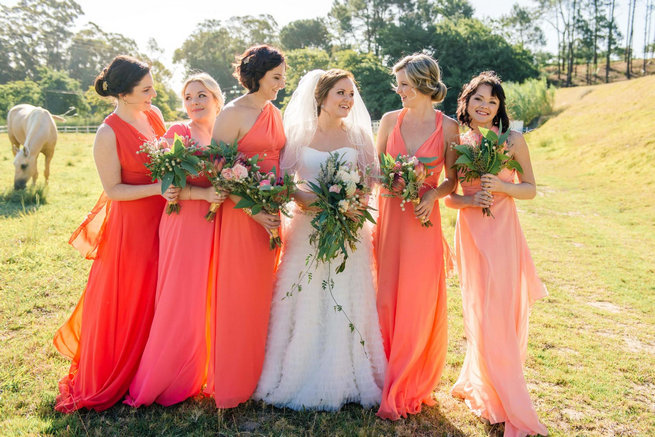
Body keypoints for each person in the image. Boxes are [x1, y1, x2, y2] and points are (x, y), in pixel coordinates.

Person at [254, 69, 387, 411]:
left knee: (345, 293)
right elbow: (284, 183)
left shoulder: (359, 135)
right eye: (340, 93)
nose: (347, 100)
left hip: (349, 229)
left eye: (351, 94)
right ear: (322, 97)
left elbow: (371, 179)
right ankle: (299, 369)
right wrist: (312, 199)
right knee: (306, 294)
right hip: (306, 229)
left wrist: (352, 202)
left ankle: (348, 372)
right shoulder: (297, 135)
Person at [53, 55, 176, 412]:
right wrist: (157, 188)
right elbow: (114, 189)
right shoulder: (107, 132)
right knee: (133, 295)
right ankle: (119, 370)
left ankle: (151, 369)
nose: (154, 93)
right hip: (133, 225)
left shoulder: (152, 115)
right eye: (146, 89)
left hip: (163, 217)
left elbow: (167, 155)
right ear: (123, 93)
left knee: (159, 290)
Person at [445, 71, 548, 437]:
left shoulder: (513, 140)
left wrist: (503, 186)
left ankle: (508, 396)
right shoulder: (457, 141)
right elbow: (450, 196)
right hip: (471, 232)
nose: (485, 105)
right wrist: (471, 199)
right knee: (478, 309)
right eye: (478, 99)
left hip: (504, 234)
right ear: (466, 103)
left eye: (492, 100)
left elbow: (531, 189)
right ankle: (484, 383)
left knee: (499, 313)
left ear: (499, 106)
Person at [125, 73, 226, 407]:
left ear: (215, 98)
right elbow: (170, 190)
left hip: (218, 224)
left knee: (208, 295)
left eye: (200, 96)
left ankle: (205, 369)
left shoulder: (226, 134)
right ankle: (167, 376)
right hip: (183, 224)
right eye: (187, 97)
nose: (194, 103)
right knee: (180, 298)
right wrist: (205, 192)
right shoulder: (176, 134)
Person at [374, 54, 459, 420]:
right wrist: (389, 180)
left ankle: (410, 377)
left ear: (425, 84)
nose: (399, 91)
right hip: (391, 217)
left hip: (424, 221)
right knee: (388, 295)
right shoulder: (391, 120)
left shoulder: (450, 127)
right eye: (398, 84)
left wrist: (431, 193)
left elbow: (452, 180)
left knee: (418, 298)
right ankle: (384, 371)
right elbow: (376, 168)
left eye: (405, 85)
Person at [208, 44, 286, 408]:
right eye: (276, 77)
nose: (281, 83)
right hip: (242, 216)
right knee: (240, 296)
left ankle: (262, 373)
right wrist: (253, 211)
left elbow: (279, 160)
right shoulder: (232, 113)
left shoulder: (274, 111)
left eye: (283, 77)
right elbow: (218, 169)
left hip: (271, 211)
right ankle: (234, 380)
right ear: (256, 76)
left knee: (266, 292)